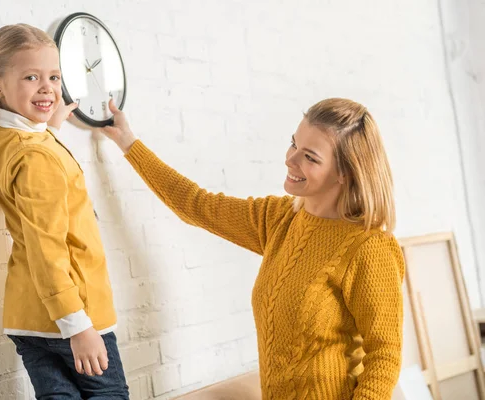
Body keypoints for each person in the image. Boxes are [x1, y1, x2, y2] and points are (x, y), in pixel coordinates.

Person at [102, 98, 405, 399]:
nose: (290, 159)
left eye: (310, 157)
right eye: (293, 144)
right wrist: (128, 142)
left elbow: (385, 356)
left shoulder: (369, 248)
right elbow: (196, 205)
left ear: (345, 173)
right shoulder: (279, 219)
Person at [0, 24, 129, 399]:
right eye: (31, 77)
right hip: (70, 313)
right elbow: (47, 250)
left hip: (27, 315)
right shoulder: (36, 156)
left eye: (54, 76)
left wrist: (51, 125)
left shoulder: (5, 138)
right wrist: (78, 327)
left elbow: (32, 154)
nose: (47, 87)